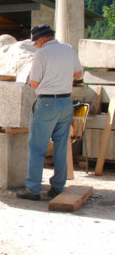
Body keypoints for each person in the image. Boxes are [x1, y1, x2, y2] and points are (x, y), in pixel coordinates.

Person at [16, 24, 82, 201]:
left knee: (37, 147)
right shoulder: (68, 49)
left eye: (36, 41)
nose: (37, 45)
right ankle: (58, 187)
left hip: (47, 103)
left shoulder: (41, 54)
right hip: (66, 102)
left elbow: (35, 83)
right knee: (61, 146)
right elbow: (78, 73)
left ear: (42, 38)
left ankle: (33, 189)